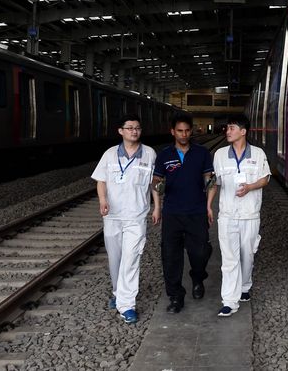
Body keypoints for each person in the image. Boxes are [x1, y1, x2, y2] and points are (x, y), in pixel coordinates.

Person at [91, 114, 160, 324]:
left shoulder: (149, 153)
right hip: (112, 216)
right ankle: (117, 292)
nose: (134, 131)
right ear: (120, 131)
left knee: (131, 259)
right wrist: (103, 200)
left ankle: (127, 305)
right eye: (129, 128)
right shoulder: (110, 154)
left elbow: (154, 183)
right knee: (115, 259)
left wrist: (157, 207)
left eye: (137, 128)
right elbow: (101, 180)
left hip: (136, 216)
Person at [208, 114, 270, 317]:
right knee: (229, 259)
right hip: (227, 214)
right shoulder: (220, 155)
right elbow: (215, 183)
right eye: (227, 128)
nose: (227, 131)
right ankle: (229, 301)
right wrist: (208, 206)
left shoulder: (258, 154)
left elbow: (265, 178)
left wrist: (250, 187)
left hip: (250, 214)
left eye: (232, 128)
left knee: (247, 255)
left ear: (243, 131)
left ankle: (244, 286)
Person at [152, 112, 215, 314]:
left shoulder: (202, 153)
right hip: (172, 212)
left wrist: (209, 206)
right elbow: (156, 182)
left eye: (187, 130)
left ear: (191, 131)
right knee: (170, 256)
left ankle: (198, 277)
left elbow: (209, 180)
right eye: (180, 131)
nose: (184, 134)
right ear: (173, 132)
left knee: (201, 252)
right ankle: (176, 296)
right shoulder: (164, 155)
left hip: (197, 211)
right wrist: (157, 206)